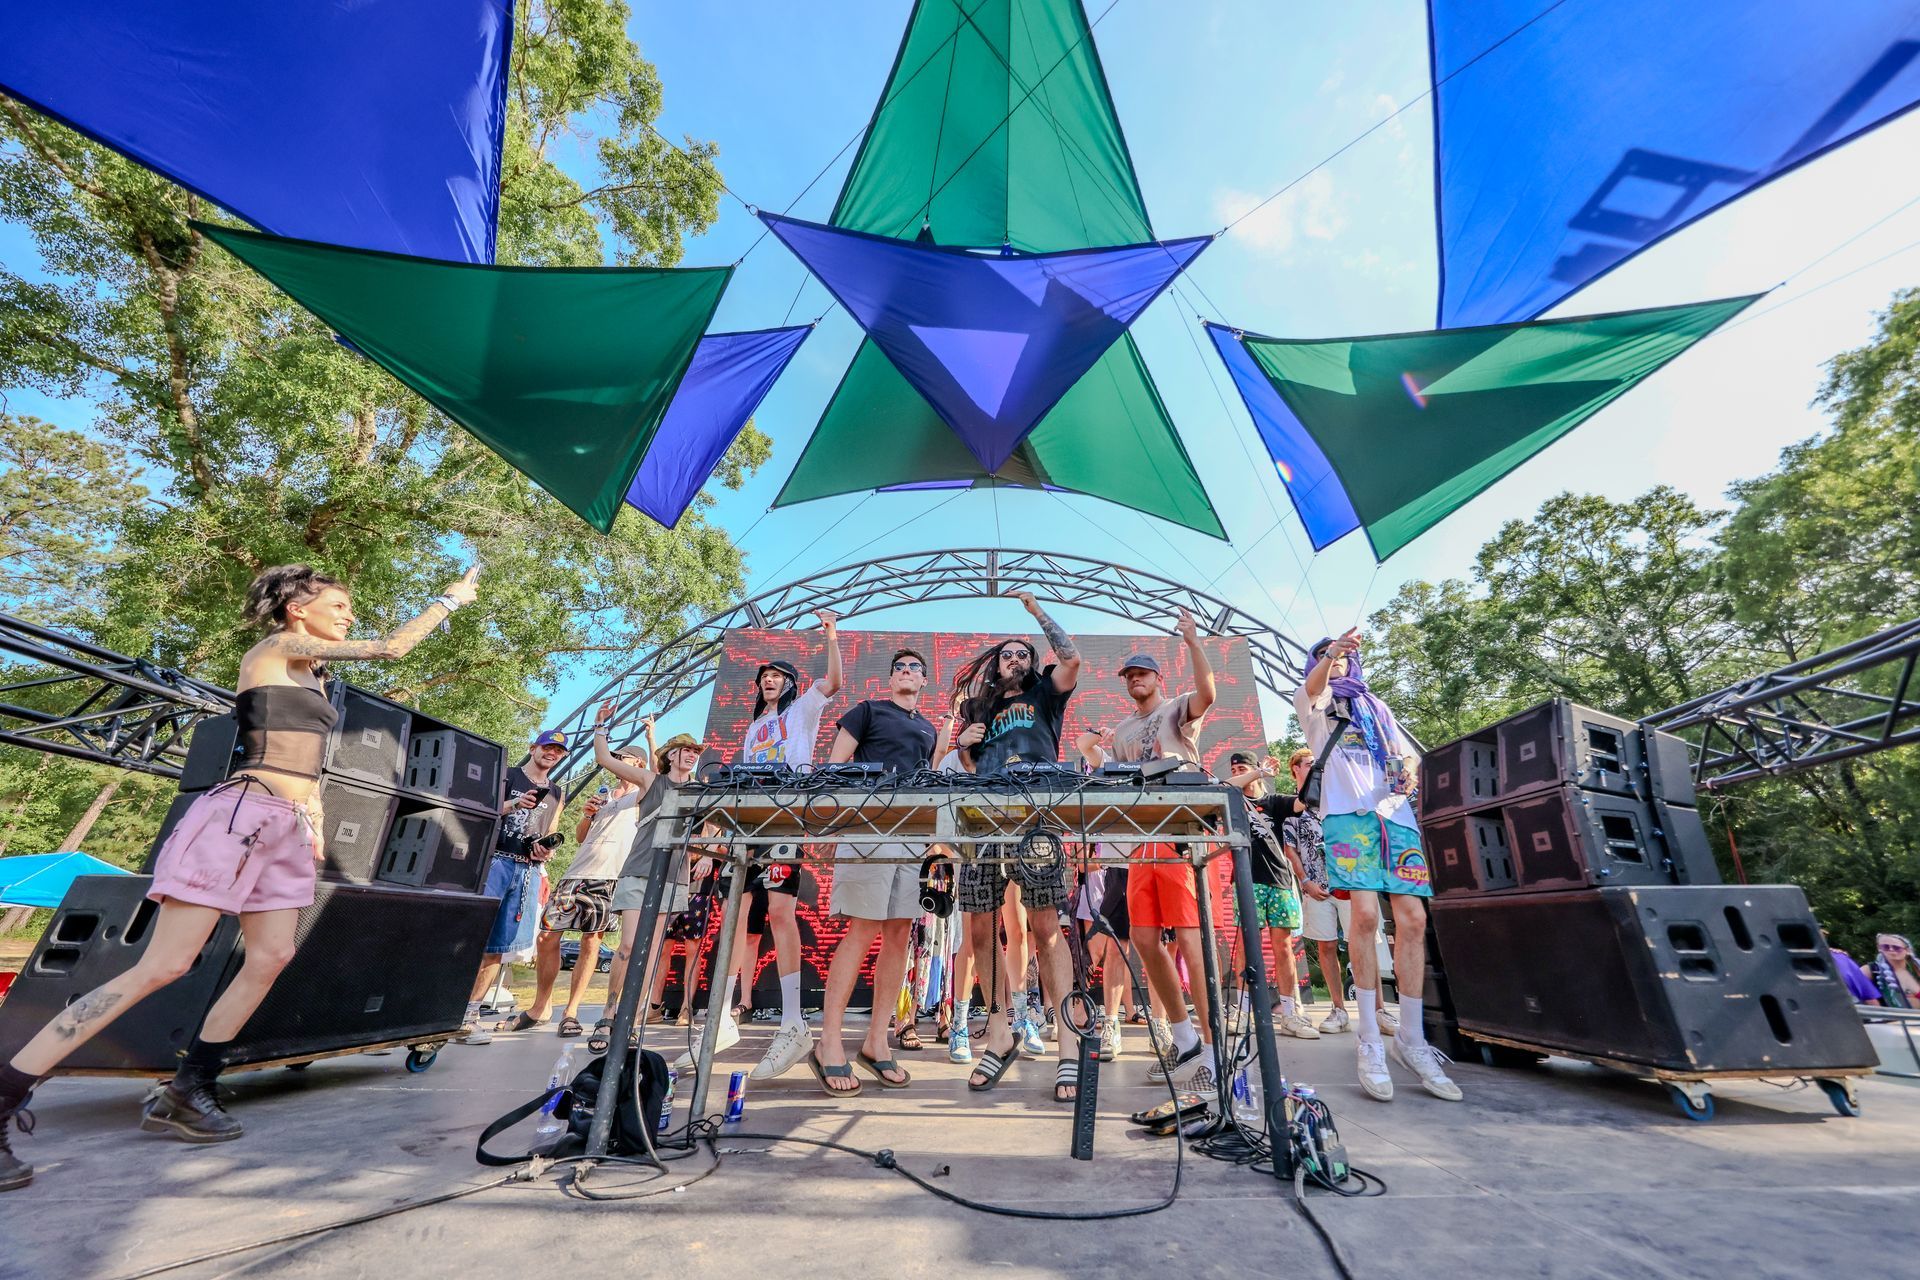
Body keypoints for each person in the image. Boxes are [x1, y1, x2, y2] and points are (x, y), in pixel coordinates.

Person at [0, 563, 479, 1192]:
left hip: (286, 828)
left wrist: (314, 823)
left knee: (273, 956)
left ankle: (188, 1088)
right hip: (238, 818)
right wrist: (450, 600)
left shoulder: (315, 674)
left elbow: (308, 762)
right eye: (338, 605)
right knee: (165, 965)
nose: (349, 615)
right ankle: (5, 1095)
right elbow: (391, 648)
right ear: (297, 609)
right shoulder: (276, 649)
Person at [1295, 629, 1460, 1103]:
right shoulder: (1314, 703)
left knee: (1413, 919)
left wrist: (1406, 769)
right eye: (1325, 656)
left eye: (1343, 656)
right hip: (1348, 818)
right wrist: (1329, 655)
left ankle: (1412, 1038)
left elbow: (1405, 754)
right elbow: (1312, 686)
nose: (1337, 661)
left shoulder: (1376, 706)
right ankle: (1368, 1038)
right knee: (1365, 915)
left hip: (1395, 817)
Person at [951, 590, 1083, 1101]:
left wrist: (1036, 612)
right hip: (983, 818)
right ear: (996, 664)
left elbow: (1071, 659)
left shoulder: (1045, 694)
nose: (1014, 659)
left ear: (1032, 663)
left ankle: (1068, 1043)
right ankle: (1000, 1031)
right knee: (979, 929)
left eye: (1022, 654)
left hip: (1037, 815)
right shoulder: (978, 709)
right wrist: (964, 747)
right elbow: (970, 770)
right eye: (1006, 654)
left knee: (1045, 927)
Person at [809, 648, 944, 1095]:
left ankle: (876, 1042)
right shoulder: (867, 710)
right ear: (890, 679)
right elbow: (835, 768)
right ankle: (829, 1042)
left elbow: (931, 778)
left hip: (913, 834)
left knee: (900, 934)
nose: (906, 671)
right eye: (899, 667)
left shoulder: (928, 728)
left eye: (914, 668)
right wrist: (831, 825)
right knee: (863, 929)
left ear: (923, 681)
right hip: (868, 828)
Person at [1105, 609, 1220, 1090]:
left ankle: (1214, 1052)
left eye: (1143, 673)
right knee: (1145, 940)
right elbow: (1114, 779)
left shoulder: (1175, 709)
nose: (1136, 679)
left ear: (1157, 678)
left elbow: (1208, 694)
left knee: (1191, 941)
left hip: (1180, 832)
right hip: (1140, 842)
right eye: (1129, 675)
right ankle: (1184, 1038)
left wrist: (1193, 641)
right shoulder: (1121, 732)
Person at [739, 612, 843, 1082]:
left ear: (790, 684)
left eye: (778, 675)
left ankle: (793, 1021)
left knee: (781, 912)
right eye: (764, 675)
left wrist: (831, 635)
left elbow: (834, 682)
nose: (769, 680)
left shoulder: (800, 711)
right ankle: (723, 1017)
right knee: (739, 913)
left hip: (784, 818)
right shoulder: (752, 728)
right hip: (750, 821)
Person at [588, 709, 725, 1063]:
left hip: (674, 877)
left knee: (650, 949)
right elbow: (604, 759)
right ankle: (608, 1013)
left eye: (695, 751)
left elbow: (717, 824)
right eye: (686, 749)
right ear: (671, 755)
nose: (692, 755)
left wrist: (707, 851)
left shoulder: (699, 791)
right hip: (640, 871)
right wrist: (601, 726)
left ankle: (633, 1020)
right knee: (629, 945)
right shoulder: (651, 780)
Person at [525, 753, 647, 1037]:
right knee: (547, 935)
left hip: (610, 875)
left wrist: (652, 739)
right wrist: (588, 815)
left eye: (626, 758)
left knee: (591, 942)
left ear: (639, 765)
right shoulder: (605, 795)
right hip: (577, 871)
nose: (619, 761)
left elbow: (657, 777)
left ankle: (571, 1011)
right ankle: (542, 1005)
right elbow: (581, 837)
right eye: (617, 757)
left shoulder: (641, 795)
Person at [462, 727, 570, 1039]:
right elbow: (478, 809)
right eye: (547, 747)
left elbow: (550, 831)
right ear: (534, 748)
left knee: (497, 946)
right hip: (493, 861)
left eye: (558, 751)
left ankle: (469, 1016)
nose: (551, 754)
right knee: (468, 937)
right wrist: (514, 804)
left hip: (527, 870)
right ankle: (441, 1009)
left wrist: (546, 850)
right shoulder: (506, 775)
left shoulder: (556, 793)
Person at [1224, 750, 1320, 1040]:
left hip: (1279, 880)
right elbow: (1225, 786)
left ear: (1254, 769)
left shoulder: (1275, 801)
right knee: (1246, 946)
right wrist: (1258, 773)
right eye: (1235, 769)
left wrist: (1312, 773)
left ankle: (1290, 1013)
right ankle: (1243, 1012)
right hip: (1247, 880)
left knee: (1283, 946)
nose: (1238, 774)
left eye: (1243, 768)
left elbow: (1302, 803)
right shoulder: (1232, 799)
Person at [1284, 748, 1369, 1035]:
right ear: (1295, 769)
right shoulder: (1292, 807)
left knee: (1361, 945)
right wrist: (1305, 880)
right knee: (1327, 946)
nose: (1316, 768)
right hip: (1316, 887)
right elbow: (1290, 849)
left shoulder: (1338, 798)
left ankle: (1377, 1010)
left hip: (1350, 882)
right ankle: (1338, 1009)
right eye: (1310, 764)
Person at [1873, 934, 1919, 1008]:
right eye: (1885, 947)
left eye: (1897, 948)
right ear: (1879, 948)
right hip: (1896, 1014)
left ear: (1907, 950)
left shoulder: (1915, 968)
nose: (1891, 950)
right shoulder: (1873, 969)